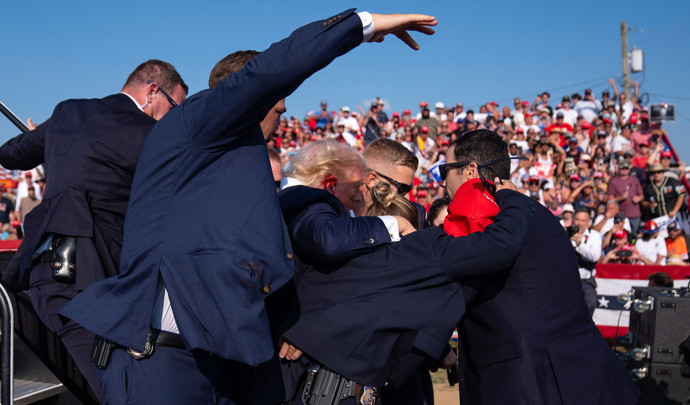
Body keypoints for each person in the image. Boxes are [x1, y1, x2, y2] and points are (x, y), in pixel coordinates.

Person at [61, 11, 439, 404]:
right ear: (249, 96)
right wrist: (362, 25)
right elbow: (271, 72)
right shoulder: (198, 121)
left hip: (212, 362)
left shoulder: (224, 160)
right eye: (278, 107)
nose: (283, 115)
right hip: (160, 362)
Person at [279, 144, 532, 404]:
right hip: (317, 383)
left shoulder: (360, 235)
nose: (402, 195)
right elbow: (323, 254)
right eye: (401, 187)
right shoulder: (321, 213)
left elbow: (389, 302)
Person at [0, 59, 186, 400]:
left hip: (40, 264)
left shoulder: (68, 112)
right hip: (94, 272)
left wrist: (56, 142)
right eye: (174, 107)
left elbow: (13, 154)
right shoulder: (151, 135)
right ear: (152, 90)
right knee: (107, 387)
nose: (173, 117)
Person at [437, 129, 639, 404]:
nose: (441, 182)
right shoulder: (534, 210)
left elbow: (452, 291)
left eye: (445, 170)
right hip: (583, 373)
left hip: (527, 381)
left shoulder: (479, 211)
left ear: (471, 170)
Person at [570, 208, 603, 316]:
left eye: (583, 220)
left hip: (585, 279)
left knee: (591, 303)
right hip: (567, 278)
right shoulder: (565, 232)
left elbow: (595, 257)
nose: (579, 223)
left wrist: (580, 244)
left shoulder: (595, 236)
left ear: (588, 222)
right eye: (577, 220)